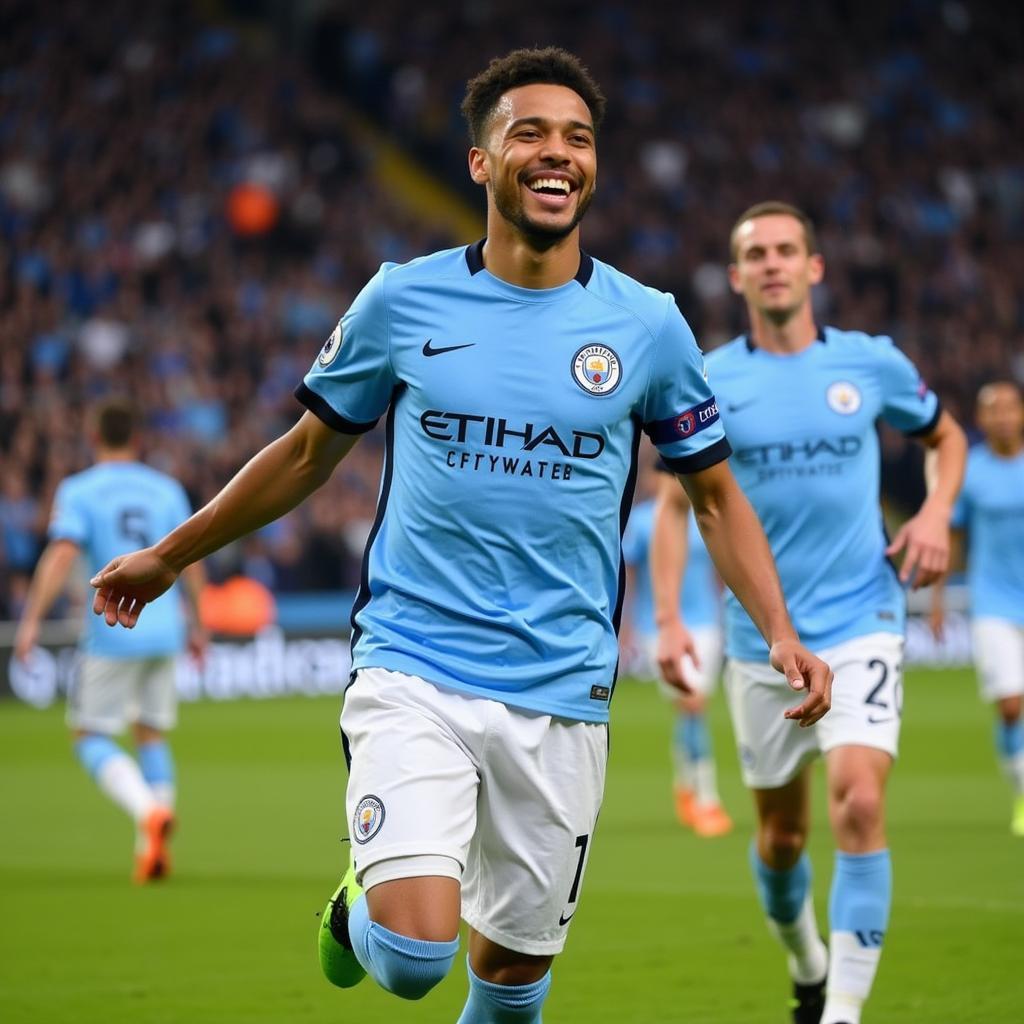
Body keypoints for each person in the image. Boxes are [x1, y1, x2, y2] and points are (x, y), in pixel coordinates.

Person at [89, 51, 831, 1023]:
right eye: (528, 132)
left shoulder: (647, 327)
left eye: (577, 136)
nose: (556, 152)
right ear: (481, 161)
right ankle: (363, 908)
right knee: (409, 957)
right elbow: (310, 451)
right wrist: (171, 555)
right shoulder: (404, 299)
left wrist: (777, 629)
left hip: (563, 689)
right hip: (416, 664)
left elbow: (716, 497)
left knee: (513, 981)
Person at [653, 201, 967, 1024]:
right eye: (756, 253)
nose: (773, 264)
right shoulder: (711, 379)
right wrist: (669, 618)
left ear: (815, 267)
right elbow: (673, 508)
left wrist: (934, 515)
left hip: (864, 617)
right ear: (736, 275)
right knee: (782, 839)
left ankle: (843, 1015)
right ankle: (807, 964)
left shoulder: (871, 365)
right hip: (763, 645)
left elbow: (947, 439)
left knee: (861, 802)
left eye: (788, 250)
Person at [14, 397, 206, 882]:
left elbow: (61, 555)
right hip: (166, 628)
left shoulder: (79, 490)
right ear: (138, 440)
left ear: (94, 438)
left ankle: (147, 813)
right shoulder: (164, 489)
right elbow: (193, 556)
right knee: (150, 732)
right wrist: (200, 622)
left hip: (114, 627)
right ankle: (151, 850)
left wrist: (31, 618)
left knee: (88, 734)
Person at [931, 381, 1024, 836]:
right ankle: (1022, 795)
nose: (1003, 417)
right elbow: (951, 536)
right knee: (1011, 706)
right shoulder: (972, 472)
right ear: (981, 420)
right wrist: (936, 600)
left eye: (1010, 408)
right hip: (992, 602)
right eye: (993, 410)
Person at [622, 459, 732, 836]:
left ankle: (685, 784)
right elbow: (630, 573)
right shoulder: (642, 521)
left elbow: (720, 570)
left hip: (707, 623)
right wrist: (628, 627)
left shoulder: (702, 517)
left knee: (693, 711)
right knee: (692, 703)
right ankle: (706, 798)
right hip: (661, 626)